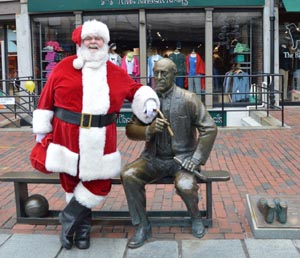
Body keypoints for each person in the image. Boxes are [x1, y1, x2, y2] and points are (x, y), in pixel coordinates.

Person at [30, 19, 159, 250]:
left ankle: (67, 218)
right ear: (81, 41)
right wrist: (42, 130)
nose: (92, 42)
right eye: (88, 38)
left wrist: (148, 100)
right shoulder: (64, 66)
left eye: (97, 38)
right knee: (71, 183)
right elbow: (46, 98)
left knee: (99, 184)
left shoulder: (114, 71)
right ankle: (81, 232)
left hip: (101, 139)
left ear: (105, 43)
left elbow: (134, 89)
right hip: (66, 136)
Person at [121, 58, 217, 248]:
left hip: (182, 160)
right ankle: (142, 225)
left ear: (174, 74)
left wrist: (196, 159)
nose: (158, 77)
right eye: (156, 73)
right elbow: (130, 130)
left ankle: (195, 217)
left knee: (186, 185)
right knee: (129, 174)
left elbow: (210, 129)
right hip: (152, 158)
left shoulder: (189, 99)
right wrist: (148, 130)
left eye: (163, 73)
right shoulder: (146, 99)